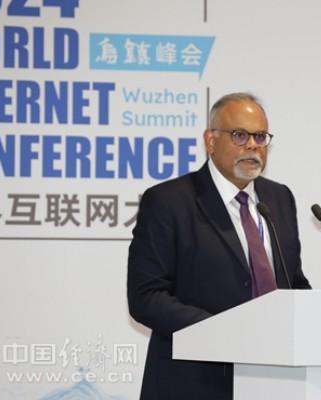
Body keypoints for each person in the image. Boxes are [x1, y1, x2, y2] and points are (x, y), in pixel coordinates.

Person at [127, 92, 311, 399]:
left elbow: (292, 282)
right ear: (210, 141)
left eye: (260, 136)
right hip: (195, 383)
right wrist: (225, 332)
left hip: (274, 381)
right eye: (239, 135)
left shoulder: (279, 198)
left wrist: (314, 316)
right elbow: (146, 298)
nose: (252, 145)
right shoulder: (169, 201)